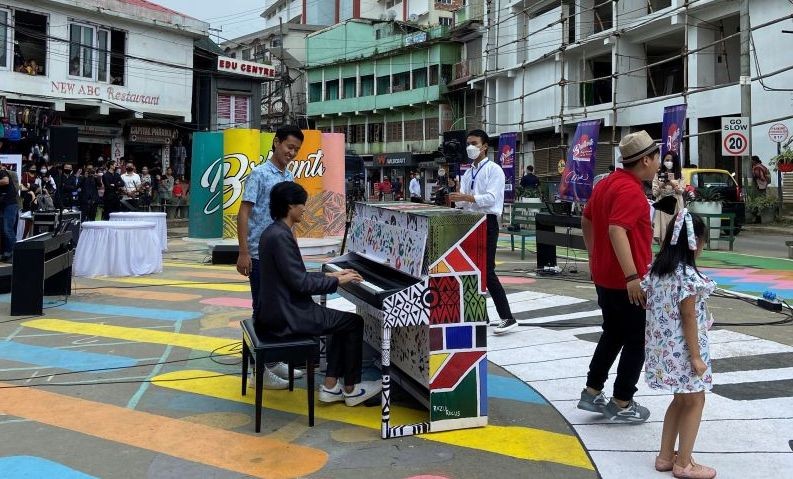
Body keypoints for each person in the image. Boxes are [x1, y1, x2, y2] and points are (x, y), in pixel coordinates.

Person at [259, 181, 382, 406]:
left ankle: (331, 385)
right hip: (289, 313)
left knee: (337, 320)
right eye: (301, 204)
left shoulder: (273, 232)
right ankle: (352, 389)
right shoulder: (281, 236)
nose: (304, 209)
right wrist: (338, 281)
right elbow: (301, 284)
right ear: (290, 206)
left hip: (280, 308)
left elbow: (296, 277)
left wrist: (333, 276)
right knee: (353, 322)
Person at [577, 130, 660, 423]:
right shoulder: (631, 190)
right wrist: (632, 276)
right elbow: (616, 229)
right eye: (657, 157)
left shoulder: (607, 182)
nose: (659, 163)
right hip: (628, 282)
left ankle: (592, 390)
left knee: (613, 332)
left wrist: (593, 255)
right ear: (646, 160)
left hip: (604, 276)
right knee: (637, 339)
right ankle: (623, 400)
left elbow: (586, 219)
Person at [641, 211, 716, 479]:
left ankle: (664, 456)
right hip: (685, 350)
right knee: (695, 399)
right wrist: (696, 357)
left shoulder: (658, 271)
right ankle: (684, 463)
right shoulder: (687, 276)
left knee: (679, 399)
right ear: (695, 242)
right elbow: (688, 315)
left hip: (663, 350)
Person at [236, 125, 305, 390]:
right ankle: (259, 372)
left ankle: (273, 360)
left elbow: (290, 220)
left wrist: (294, 251)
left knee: (278, 308)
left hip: (281, 254)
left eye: (296, 150)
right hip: (259, 253)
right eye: (289, 147)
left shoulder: (288, 176)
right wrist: (243, 252)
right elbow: (244, 213)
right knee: (262, 309)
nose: (292, 153)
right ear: (276, 143)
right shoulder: (259, 174)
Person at [449, 129, 516, 335]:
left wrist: (466, 198)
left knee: (487, 270)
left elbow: (491, 199)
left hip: (487, 222)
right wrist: (456, 199)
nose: (470, 147)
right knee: (470, 270)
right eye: (468, 143)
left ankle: (507, 317)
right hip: (470, 222)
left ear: (484, 146)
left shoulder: (494, 170)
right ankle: (480, 315)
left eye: (474, 143)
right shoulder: (468, 172)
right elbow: (465, 202)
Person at [652, 152, 686, 243]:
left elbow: (681, 190)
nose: (669, 162)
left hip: (676, 205)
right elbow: (655, 193)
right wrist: (662, 185)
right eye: (666, 160)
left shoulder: (680, 174)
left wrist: (672, 183)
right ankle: (663, 251)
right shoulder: (658, 174)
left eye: (671, 160)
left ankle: (674, 253)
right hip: (662, 205)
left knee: (675, 229)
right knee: (663, 230)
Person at [0, 162, 19, 262]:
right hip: (4, 205)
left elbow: (5, 181)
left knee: (8, 229)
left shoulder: (2, 172)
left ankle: (15, 253)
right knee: (3, 230)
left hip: (10, 204)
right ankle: (6, 252)